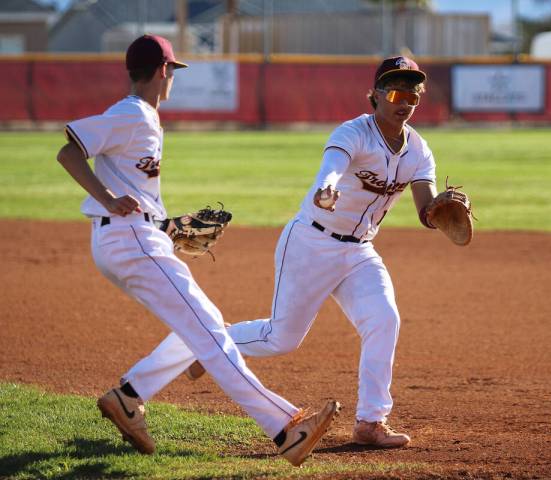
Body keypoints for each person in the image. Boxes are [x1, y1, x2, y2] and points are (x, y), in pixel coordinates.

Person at [126, 56, 444, 448]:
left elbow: (425, 210)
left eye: (413, 94)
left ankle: (370, 422)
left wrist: (439, 210)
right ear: (375, 95)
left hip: (360, 251)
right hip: (311, 242)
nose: (405, 100)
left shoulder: (418, 149)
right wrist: (325, 188)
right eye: (395, 91)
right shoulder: (354, 133)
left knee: (384, 319)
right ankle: (212, 343)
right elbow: (330, 168)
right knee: (281, 339)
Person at [55, 34, 339, 467]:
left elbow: (134, 190)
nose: (172, 78)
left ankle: (128, 398)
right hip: (127, 238)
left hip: (133, 237)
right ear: (162, 70)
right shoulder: (132, 114)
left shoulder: (142, 118)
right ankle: (286, 429)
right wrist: (109, 198)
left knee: (206, 326)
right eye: (172, 70)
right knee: (208, 330)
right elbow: (68, 151)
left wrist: (166, 226)